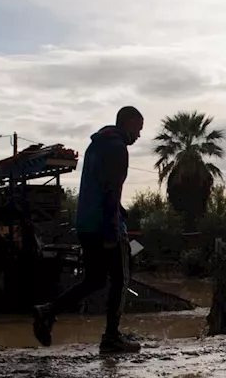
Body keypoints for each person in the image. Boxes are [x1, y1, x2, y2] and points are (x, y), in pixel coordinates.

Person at [33, 105, 144, 354]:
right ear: (128, 122)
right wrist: (113, 230)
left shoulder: (96, 145)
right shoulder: (117, 149)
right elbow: (111, 190)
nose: (139, 135)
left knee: (94, 280)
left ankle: (48, 311)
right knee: (120, 279)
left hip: (86, 222)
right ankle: (112, 338)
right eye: (138, 128)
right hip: (103, 224)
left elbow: (100, 186)